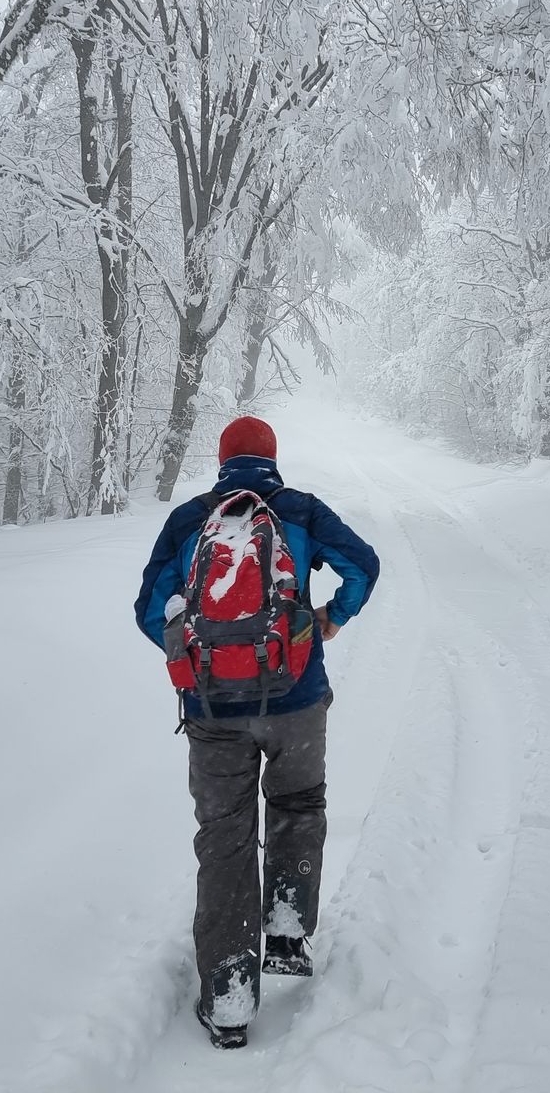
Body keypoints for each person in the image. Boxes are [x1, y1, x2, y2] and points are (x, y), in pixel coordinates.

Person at [135, 415, 380, 1049]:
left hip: (214, 714)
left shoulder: (192, 518)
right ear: (273, 459)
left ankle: (228, 1003)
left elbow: (147, 610)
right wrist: (327, 619)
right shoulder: (299, 511)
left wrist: (199, 658)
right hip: (296, 700)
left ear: (222, 462)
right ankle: (287, 933)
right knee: (298, 805)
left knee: (225, 840)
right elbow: (364, 563)